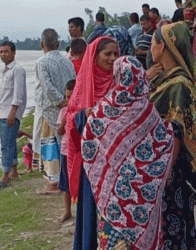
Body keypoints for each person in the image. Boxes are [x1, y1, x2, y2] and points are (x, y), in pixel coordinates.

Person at [81, 56, 174, 250]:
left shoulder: (105, 110)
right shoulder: (149, 112)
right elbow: (165, 144)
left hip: (112, 196)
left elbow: (89, 143)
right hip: (142, 202)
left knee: (112, 243)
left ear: (117, 77)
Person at [148, 22, 196, 249]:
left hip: (170, 173)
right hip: (164, 169)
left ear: (162, 46)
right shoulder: (167, 79)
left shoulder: (179, 84)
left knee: (171, 228)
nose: (151, 47)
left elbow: (176, 133)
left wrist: (161, 175)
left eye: (153, 42)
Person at [66, 36, 120, 250]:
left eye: (116, 54)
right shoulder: (83, 85)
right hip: (91, 164)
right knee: (91, 213)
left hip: (116, 163)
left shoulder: (120, 81)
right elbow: (70, 118)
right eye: (107, 54)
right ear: (94, 57)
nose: (113, 58)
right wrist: (84, 114)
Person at [35, 28, 76, 194]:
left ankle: (55, 182)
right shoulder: (68, 61)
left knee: (51, 144)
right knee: (63, 143)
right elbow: (74, 81)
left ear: (42, 45)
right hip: (67, 105)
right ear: (58, 44)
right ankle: (62, 180)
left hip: (51, 108)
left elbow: (47, 87)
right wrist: (67, 101)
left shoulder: (42, 62)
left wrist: (60, 102)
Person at [0, 41, 27, 193]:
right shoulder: (6, 71)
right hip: (2, 112)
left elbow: (18, 94)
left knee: (6, 145)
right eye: (1, 52)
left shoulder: (17, 69)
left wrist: (13, 112)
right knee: (8, 143)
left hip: (9, 113)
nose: (3, 54)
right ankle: (14, 171)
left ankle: (4, 176)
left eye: (6, 51)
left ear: (13, 53)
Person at [57, 79, 76, 222]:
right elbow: (59, 131)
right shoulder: (63, 111)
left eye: (72, 97)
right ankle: (67, 210)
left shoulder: (81, 111)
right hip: (65, 151)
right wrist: (64, 120)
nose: (69, 100)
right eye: (67, 97)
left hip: (76, 152)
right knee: (66, 184)